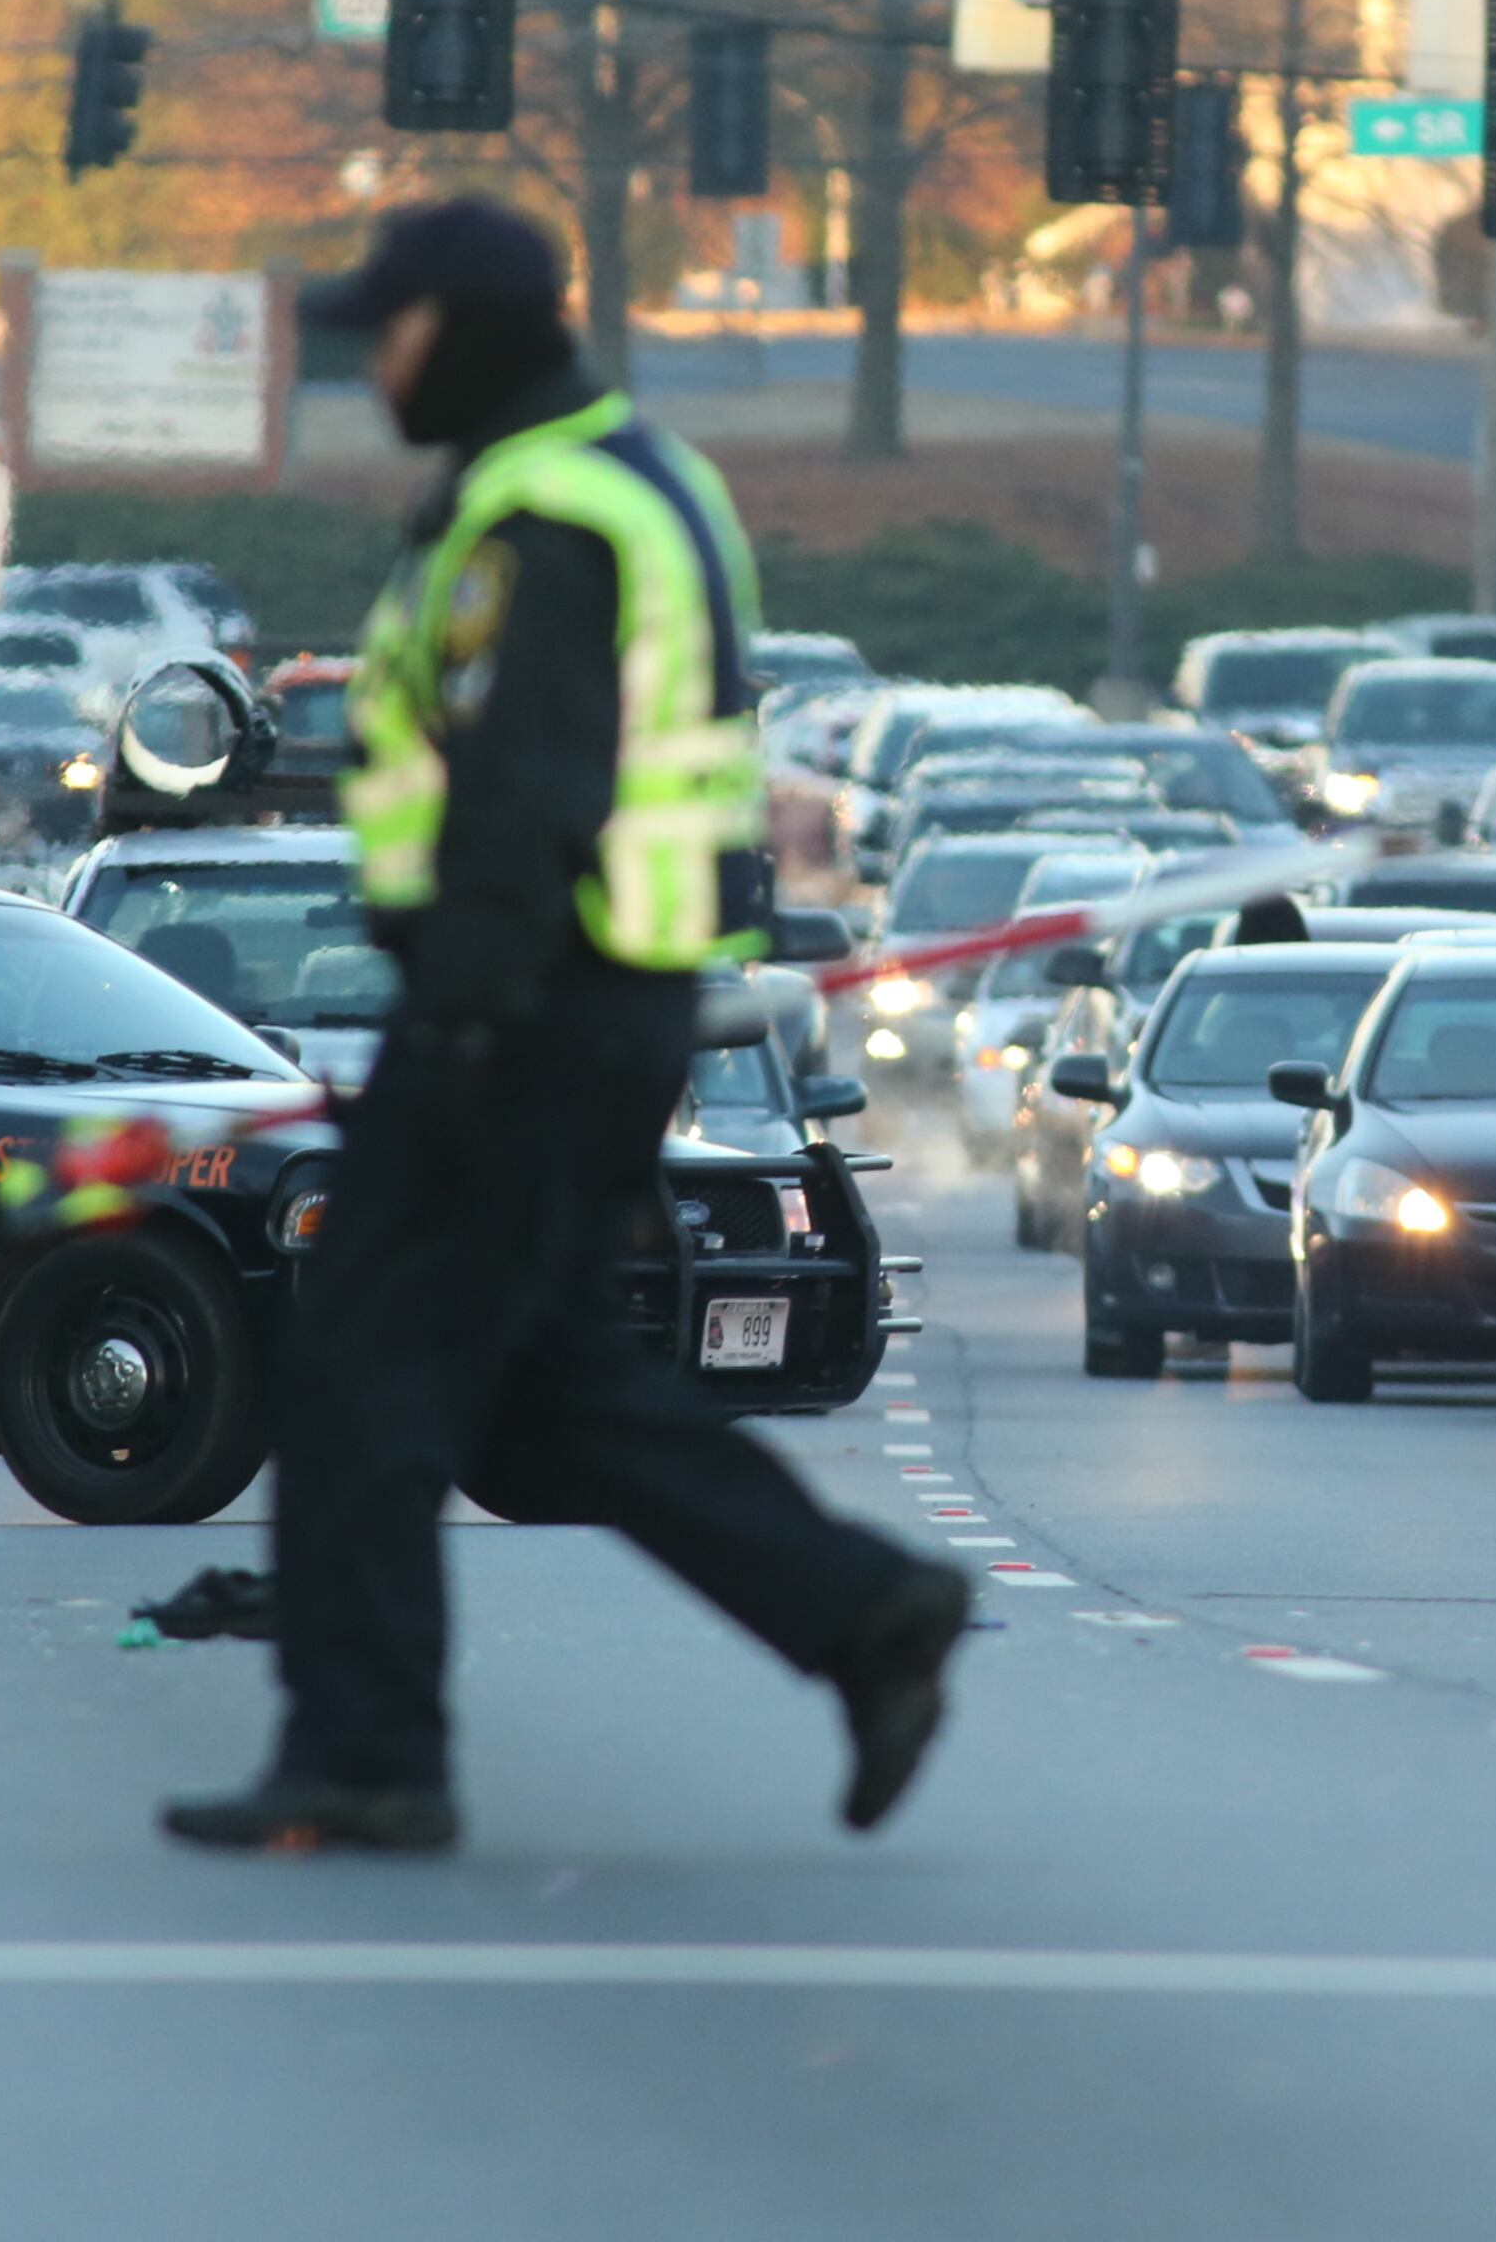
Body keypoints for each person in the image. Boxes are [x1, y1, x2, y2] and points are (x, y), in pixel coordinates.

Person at [164, 198, 970, 1856]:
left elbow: (520, 789)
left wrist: (458, 1025)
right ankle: (865, 1612)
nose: (372, 365)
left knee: (362, 1365)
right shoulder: (632, 478)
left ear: (462, 329)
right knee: (533, 1392)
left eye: (389, 331)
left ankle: (369, 1752)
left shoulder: (544, 515)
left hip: (526, 1010)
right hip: (595, 1009)